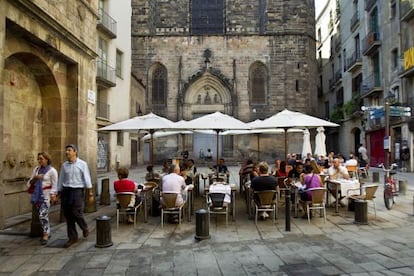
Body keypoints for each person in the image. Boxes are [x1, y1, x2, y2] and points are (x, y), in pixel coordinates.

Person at [57, 144, 93, 248]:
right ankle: (72, 237)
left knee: (76, 212)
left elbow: (87, 177)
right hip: (66, 190)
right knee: (68, 214)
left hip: (77, 190)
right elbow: (61, 179)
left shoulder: (82, 164)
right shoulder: (64, 165)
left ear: (75, 152)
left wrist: (90, 192)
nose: (67, 152)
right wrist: (58, 192)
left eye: (69, 150)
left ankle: (84, 227)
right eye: (66, 150)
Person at [27, 152, 58, 245]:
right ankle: (47, 231)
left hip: (46, 196)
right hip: (37, 195)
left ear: (46, 159)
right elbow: (30, 182)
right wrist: (36, 178)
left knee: (43, 215)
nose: (39, 160)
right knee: (41, 215)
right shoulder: (36, 169)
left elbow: (55, 184)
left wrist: (53, 195)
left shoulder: (52, 171)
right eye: (38, 159)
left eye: (41, 159)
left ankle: (45, 234)